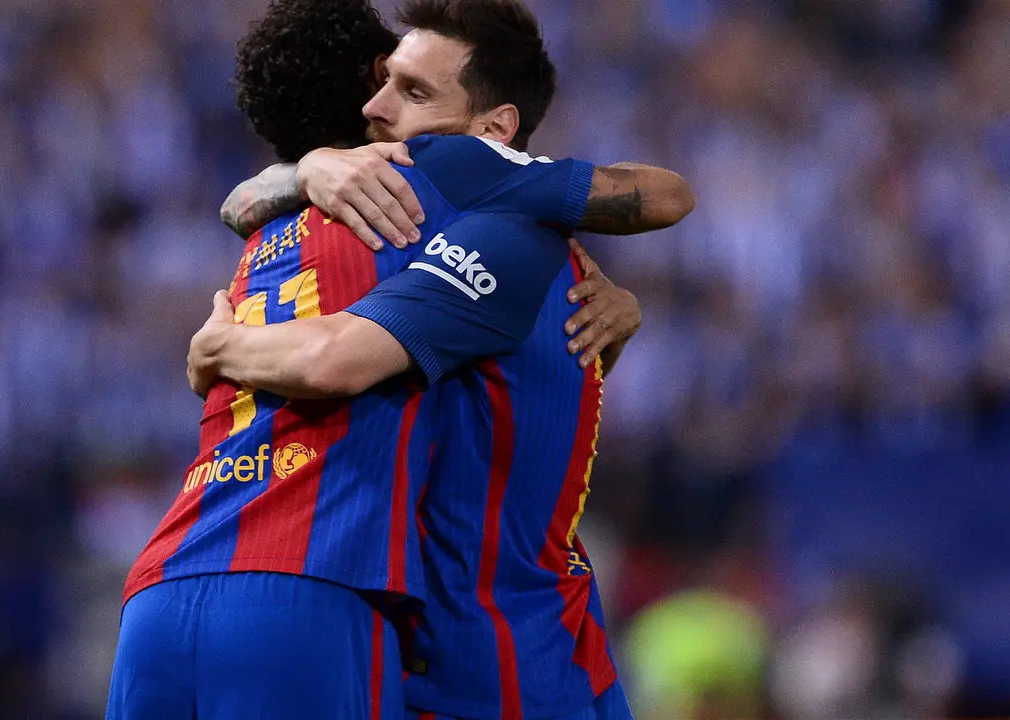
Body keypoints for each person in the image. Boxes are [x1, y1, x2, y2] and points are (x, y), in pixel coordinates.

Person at [108, 2, 690, 719]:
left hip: (473, 663)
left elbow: (328, 340)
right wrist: (311, 168)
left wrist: (218, 344)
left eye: (413, 92)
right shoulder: (481, 242)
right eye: (382, 84)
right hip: (479, 649)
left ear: (495, 134)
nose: (376, 108)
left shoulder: (284, 236)